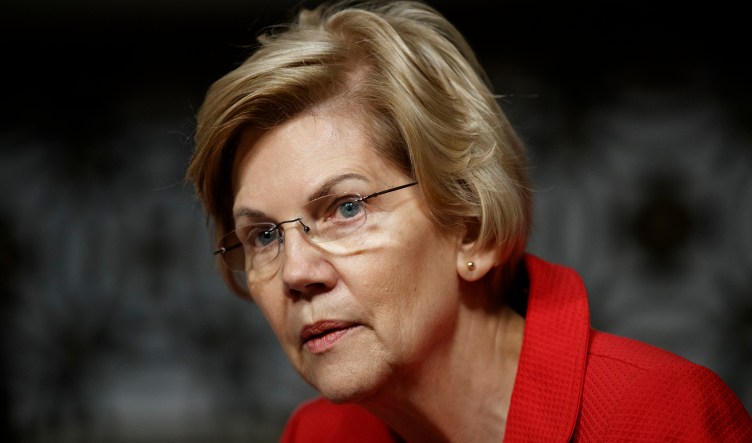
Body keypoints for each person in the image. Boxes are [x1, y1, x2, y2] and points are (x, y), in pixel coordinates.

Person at [186, 1, 752, 441]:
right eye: (263, 236)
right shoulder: (319, 437)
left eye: (346, 208)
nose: (296, 273)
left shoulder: (658, 418)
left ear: (472, 225)